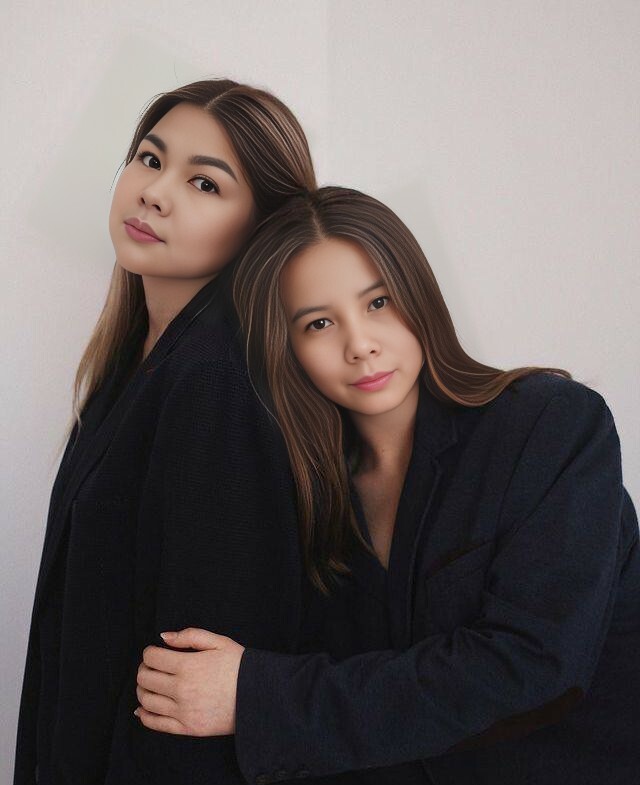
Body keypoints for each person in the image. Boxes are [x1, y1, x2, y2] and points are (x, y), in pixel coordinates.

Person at [134, 186, 640, 785]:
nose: (360, 345)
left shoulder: (551, 425)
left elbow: (532, 667)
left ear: (417, 294)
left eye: (378, 303)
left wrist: (257, 698)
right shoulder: (306, 493)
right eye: (319, 323)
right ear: (287, 349)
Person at [13, 78, 318, 785]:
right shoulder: (138, 363)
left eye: (205, 183)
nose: (154, 192)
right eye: (150, 159)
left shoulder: (217, 381)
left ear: (263, 228)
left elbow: (191, 686)